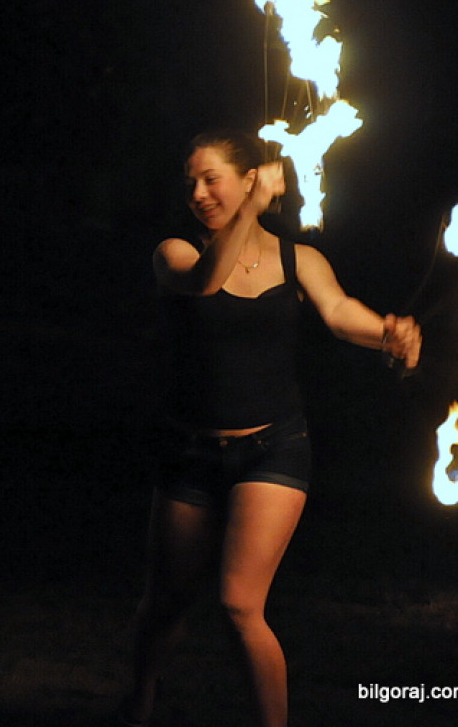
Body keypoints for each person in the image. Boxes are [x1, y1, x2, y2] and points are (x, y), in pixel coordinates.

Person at [120, 130, 422, 727]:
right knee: (165, 604)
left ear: (248, 178)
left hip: (274, 448)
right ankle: (135, 709)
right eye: (191, 184)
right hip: (190, 451)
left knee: (238, 604)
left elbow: (339, 314)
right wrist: (252, 209)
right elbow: (205, 281)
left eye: (213, 179)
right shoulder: (174, 253)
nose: (200, 194)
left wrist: (387, 332)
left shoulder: (297, 259)